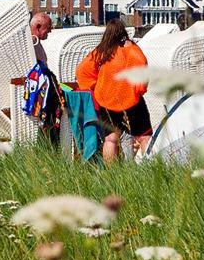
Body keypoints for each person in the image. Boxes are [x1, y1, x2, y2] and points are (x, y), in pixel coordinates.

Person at [75, 18, 150, 162]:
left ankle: (110, 172)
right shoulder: (133, 50)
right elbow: (142, 73)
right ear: (123, 32)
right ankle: (149, 167)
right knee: (144, 136)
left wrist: (95, 86)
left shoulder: (102, 51)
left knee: (111, 139)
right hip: (131, 100)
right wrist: (139, 91)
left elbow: (82, 71)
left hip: (106, 100)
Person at [26, 11, 63, 146]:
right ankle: (52, 144)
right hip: (39, 97)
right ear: (38, 27)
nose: (50, 31)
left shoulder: (32, 43)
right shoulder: (33, 44)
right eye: (48, 27)